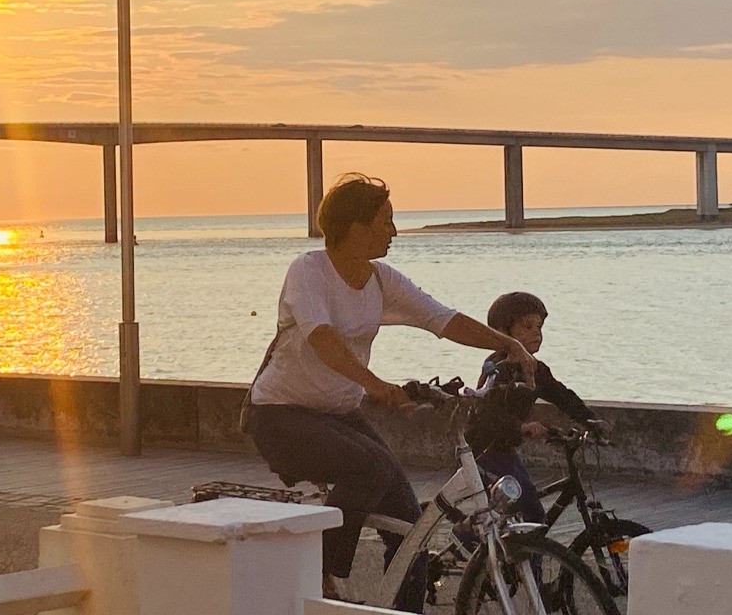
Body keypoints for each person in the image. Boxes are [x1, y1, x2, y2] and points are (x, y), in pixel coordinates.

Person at [247, 173, 537, 611]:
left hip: (340, 413)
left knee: (412, 529)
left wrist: (506, 342)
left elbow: (442, 318)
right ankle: (322, 577)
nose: (394, 231)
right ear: (354, 227)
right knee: (368, 467)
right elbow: (321, 337)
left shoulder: (381, 280)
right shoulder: (309, 271)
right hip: (281, 415)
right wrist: (376, 385)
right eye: (386, 221)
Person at [464, 292, 602, 525]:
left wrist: (590, 419)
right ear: (503, 332)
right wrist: (522, 427)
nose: (536, 333)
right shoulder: (499, 369)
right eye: (527, 326)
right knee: (529, 512)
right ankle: (467, 534)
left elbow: (563, 396)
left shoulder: (536, 370)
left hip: (507, 452)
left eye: (539, 326)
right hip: (483, 452)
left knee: (525, 511)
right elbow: (488, 414)